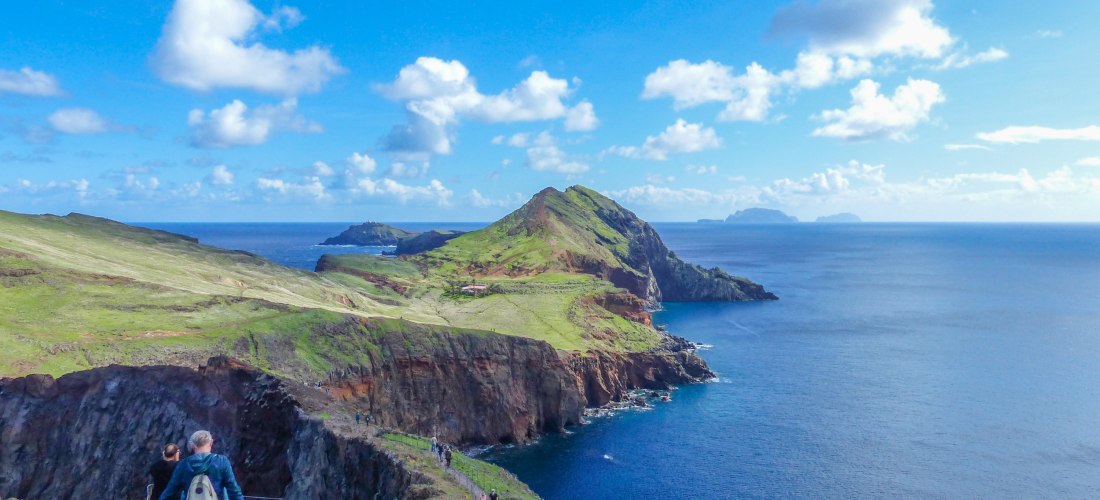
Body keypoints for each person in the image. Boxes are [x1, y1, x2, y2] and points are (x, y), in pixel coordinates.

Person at [159, 430, 244, 500]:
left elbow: (168, 493)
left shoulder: (183, 465)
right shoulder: (221, 461)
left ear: (192, 446)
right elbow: (234, 491)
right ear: (211, 443)